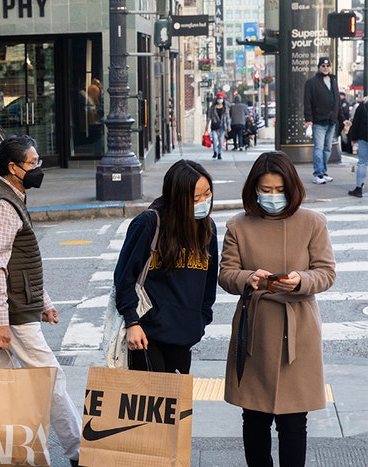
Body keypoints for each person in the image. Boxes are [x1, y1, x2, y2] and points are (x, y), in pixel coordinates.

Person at [219, 151, 335, 467]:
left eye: (278, 190)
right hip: (255, 328)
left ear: (291, 187)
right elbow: (226, 275)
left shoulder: (312, 222)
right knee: (254, 418)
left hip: (299, 329)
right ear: (254, 188)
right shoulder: (238, 226)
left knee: (294, 422)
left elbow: (326, 272)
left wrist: (301, 280)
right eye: (265, 190)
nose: (272, 197)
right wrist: (248, 277)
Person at [0, 135, 82, 467]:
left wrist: (44, 301)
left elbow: (22, 260)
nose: (38, 168)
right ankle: (79, 450)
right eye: (33, 163)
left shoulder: (9, 196)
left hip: (16, 308)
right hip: (14, 315)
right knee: (50, 378)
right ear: (13, 168)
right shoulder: (3, 205)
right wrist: (2, 321)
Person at [113, 160, 218, 373]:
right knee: (152, 405)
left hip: (184, 337)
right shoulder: (149, 223)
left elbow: (209, 281)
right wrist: (132, 322)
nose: (203, 202)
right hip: (147, 336)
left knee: (176, 406)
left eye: (207, 194)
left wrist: (202, 319)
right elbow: (124, 276)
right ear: (177, 198)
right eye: (195, 198)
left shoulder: (207, 228)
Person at [303, 56, 339, 184]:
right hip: (318, 120)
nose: (325, 68)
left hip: (331, 120)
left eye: (327, 65)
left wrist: (339, 117)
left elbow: (336, 100)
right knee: (318, 148)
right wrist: (308, 119)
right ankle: (317, 174)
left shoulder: (333, 81)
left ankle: (323, 171)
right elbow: (307, 102)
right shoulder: (311, 83)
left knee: (327, 148)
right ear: (319, 67)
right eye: (323, 66)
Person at [347, 99, 366, 197]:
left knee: (362, 163)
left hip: (364, 137)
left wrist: (353, 138)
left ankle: (359, 188)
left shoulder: (362, 106)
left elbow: (356, 123)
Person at [206, 92, 228, 159]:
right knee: (215, 139)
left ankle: (219, 153)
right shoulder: (212, 108)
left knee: (221, 140)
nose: (219, 100)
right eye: (218, 98)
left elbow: (227, 117)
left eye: (221, 98)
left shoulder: (225, 108)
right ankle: (215, 152)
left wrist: (228, 126)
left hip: (222, 126)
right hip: (214, 126)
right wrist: (206, 125)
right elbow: (209, 117)